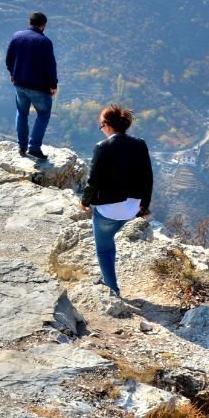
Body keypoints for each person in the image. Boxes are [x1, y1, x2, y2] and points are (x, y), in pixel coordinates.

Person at [79, 104, 154, 297]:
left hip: (109, 210)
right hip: (132, 207)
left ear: (107, 125)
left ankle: (112, 288)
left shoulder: (102, 147)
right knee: (110, 239)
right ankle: (107, 278)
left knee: (103, 248)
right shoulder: (140, 143)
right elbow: (148, 176)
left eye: (101, 126)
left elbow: (93, 180)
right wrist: (144, 206)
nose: (101, 129)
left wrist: (85, 202)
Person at [5, 11, 58, 159]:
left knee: (22, 113)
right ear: (44, 25)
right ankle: (34, 147)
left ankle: (21, 147)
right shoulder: (44, 42)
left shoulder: (17, 36)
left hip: (19, 84)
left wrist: (12, 74)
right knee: (43, 114)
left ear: (30, 22)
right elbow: (50, 66)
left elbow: (9, 59)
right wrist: (53, 85)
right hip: (39, 87)